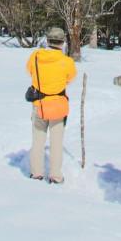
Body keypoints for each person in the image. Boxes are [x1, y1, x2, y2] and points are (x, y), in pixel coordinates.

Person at [26, 26, 77, 184]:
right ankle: (55, 176)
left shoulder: (35, 57)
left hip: (39, 104)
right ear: (62, 42)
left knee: (38, 140)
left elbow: (29, 71)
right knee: (56, 142)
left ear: (47, 40)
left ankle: (36, 173)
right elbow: (70, 78)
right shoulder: (67, 61)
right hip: (58, 105)